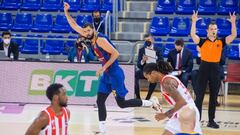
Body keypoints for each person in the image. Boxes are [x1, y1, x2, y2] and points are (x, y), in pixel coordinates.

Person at [64, 2, 158, 134]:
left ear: (93, 30)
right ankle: (103, 131)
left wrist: (103, 68)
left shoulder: (100, 40)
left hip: (114, 74)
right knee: (100, 100)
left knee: (122, 104)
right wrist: (66, 11)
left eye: (88, 30)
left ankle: (150, 103)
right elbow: (74, 25)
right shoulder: (88, 36)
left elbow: (116, 54)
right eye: (84, 31)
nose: (86, 33)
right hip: (107, 75)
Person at [191, 11, 237, 128]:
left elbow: (233, 35)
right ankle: (197, 120)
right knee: (199, 96)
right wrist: (193, 22)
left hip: (215, 69)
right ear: (207, 31)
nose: (213, 30)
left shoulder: (221, 42)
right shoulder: (202, 41)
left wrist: (233, 23)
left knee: (213, 97)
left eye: (215, 28)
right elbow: (192, 35)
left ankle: (211, 121)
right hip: (204, 68)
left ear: (217, 30)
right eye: (211, 28)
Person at [143, 61, 202, 135]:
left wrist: (165, 115)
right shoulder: (167, 79)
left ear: (154, 72)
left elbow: (181, 102)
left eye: (147, 77)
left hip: (187, 113)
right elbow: (185, 97)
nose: (148, 80)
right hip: (184, 111)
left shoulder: (166, 82)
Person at [135, 34, 164, 100]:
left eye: (148, 40)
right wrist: (143, 60)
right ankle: (138, 97)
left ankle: (148, 97)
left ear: (152, 40)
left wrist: (155, 59)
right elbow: (138, 65)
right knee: (135, 75)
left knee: (155, 75)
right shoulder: (142, 50)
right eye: (146, 41)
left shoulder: (158, 50)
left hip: (154, 70)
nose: (147, 42)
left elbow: (161, 62)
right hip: (144, 70)